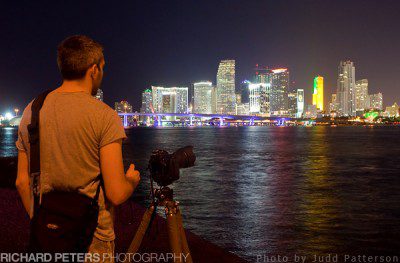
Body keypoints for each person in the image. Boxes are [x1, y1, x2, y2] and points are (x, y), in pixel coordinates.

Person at [15, 35, 140, 260]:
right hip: (93, 238)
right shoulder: (105, 116)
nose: (102, 74)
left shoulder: (31, 111)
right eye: (102, 68)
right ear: (93, 70)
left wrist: (43, 224)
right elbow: (116, 193)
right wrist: (131, 181)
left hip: (46, 234)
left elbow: (22, 182)